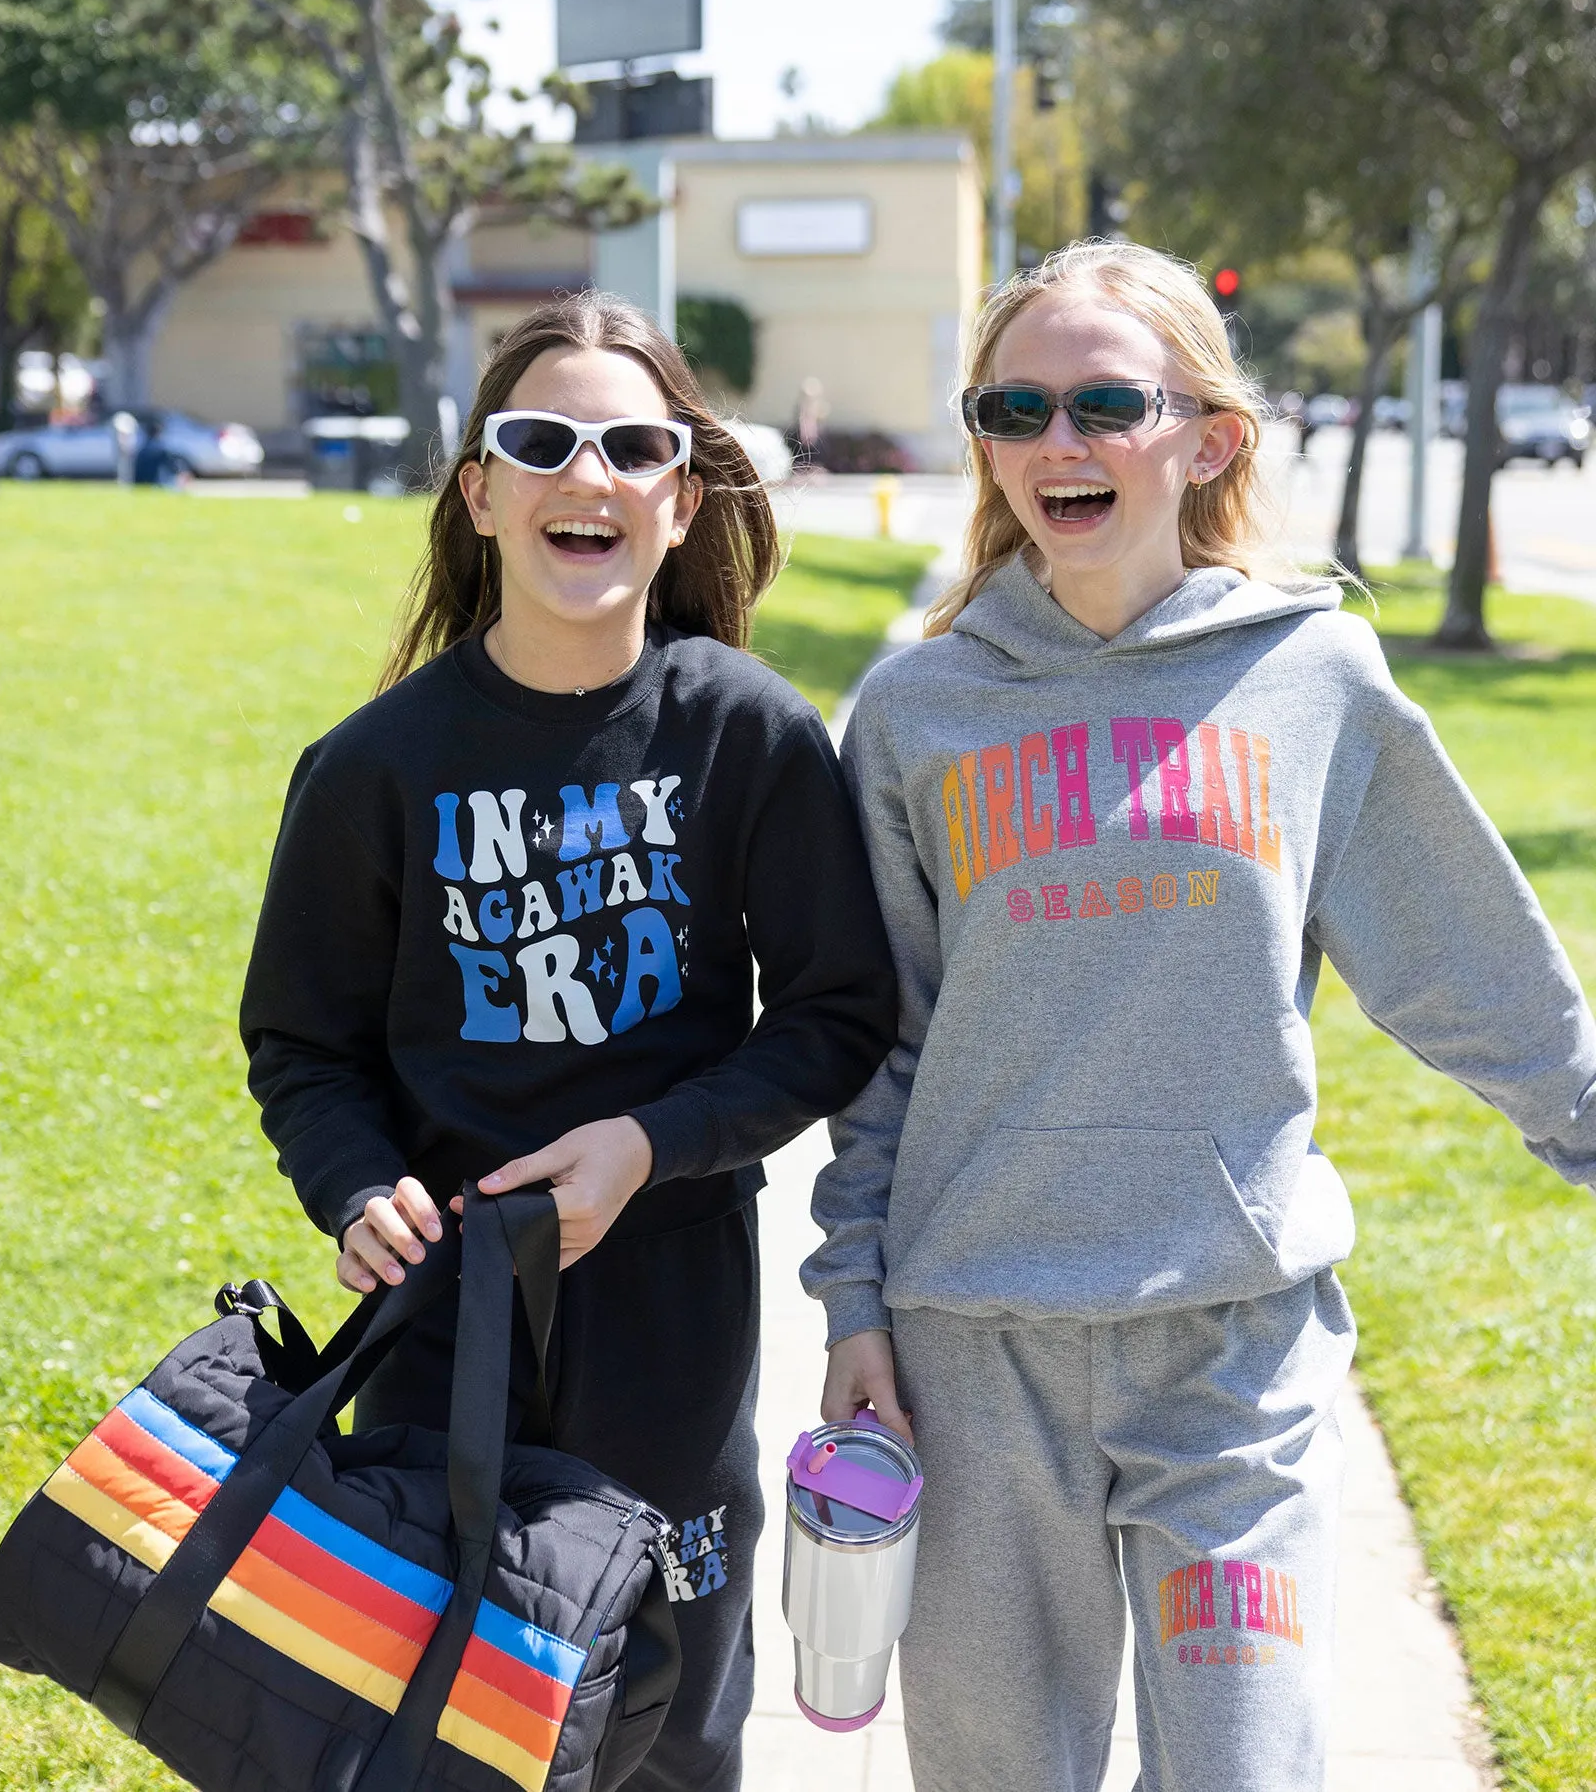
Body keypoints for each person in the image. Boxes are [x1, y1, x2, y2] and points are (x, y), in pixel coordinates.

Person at [802, 239, 1596, 1792]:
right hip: (978, 1354)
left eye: (1106, 402)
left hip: (1231, 1354)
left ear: (1209, 437)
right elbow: (877, 1044)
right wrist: (852, 1301)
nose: (1059, 445)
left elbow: (1461, 960)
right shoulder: (914, 711)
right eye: (1015, 408)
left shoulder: (1315, 679)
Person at [240, 291, 897, 1792]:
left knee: (663, 1729)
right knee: (441, 1725)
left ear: (679, 498)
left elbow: (835, 1011)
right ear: (479, 492)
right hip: (445, 1335)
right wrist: (356, 1191)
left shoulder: (748, 735)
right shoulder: (373, 769)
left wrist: (656, 1142)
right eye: (539, 442)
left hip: (671, 1325)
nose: (582, 475)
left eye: (631, 446)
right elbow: (302, 1043)